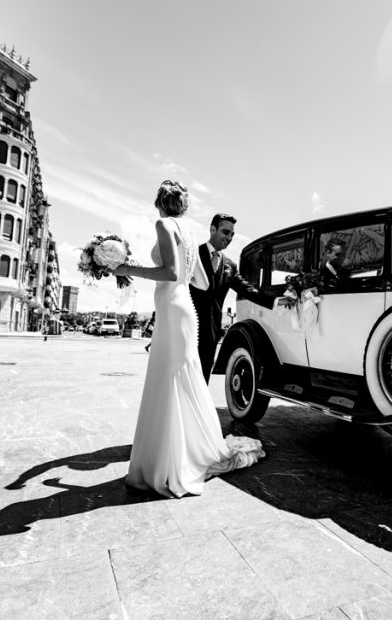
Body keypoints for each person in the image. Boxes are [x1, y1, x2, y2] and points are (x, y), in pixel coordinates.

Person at [110, 180, 265, 498]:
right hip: (183, 309)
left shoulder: (164, 224)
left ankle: (168, 460)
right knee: (181, 379)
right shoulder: (191, 234)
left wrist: (127, 268)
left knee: (168, 379)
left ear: (160, 203)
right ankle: (179, 452)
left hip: (173, 307)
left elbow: (169, 272)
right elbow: (203, 282)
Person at [189, 212, 278, 382]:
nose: (229, 238)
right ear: (212, 229)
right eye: (225, 232)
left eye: (232, 234)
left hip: (211, 331)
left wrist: (275, 301)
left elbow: (247, 290)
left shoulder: (230, 265)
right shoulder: (193, 254)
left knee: (202, 378)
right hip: (187, 325)